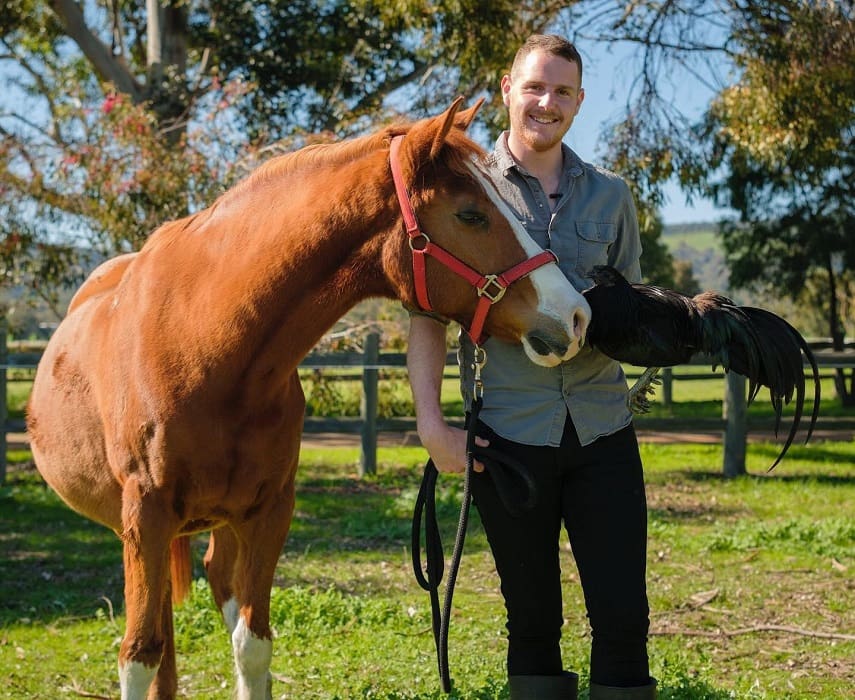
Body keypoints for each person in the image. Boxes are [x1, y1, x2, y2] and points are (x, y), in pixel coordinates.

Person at [406, 35, 658, 699]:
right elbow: (427, 317)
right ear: (510, 89)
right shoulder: (466, 194)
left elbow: (629, 305)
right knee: (532, 620)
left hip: (603, 429)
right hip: (509, 439)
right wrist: (432, 426)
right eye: (535, 87)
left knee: (623, 616)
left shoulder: (610, 196)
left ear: (578, 102)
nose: (546, 102)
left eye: (562, 91)